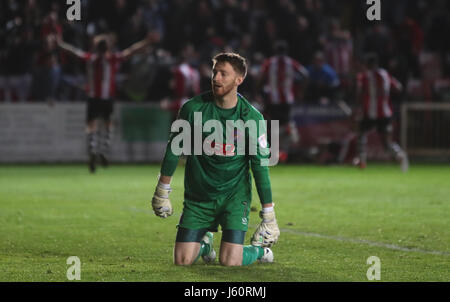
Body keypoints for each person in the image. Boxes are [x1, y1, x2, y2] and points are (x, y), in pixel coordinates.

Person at [151, 53, 280, 266]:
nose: (216, 78)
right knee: (182, 260)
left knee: (230, 261)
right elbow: (174, 150)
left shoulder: (252, 118)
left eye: (223, 74)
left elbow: (260, 167)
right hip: (199, 197)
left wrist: (268, 213)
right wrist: (162, 190)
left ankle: (258, 252)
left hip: (234, 197)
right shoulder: (192, 109)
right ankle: (205, 244)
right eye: (214, 72)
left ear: (239, 80)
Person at [56, 32, 157, 173]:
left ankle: (92, 148)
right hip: (107, 98)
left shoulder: (90, 58)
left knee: (91, 126)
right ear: (108, 48)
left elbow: (73, 52)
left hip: (92, 98)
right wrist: (146, 41)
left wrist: (60, 44)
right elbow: (131, 51)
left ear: (96, 48)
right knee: (109, 125)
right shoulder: (113, 59)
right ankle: (104, 149)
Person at [353, 53, 409, 172]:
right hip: (385, 113)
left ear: (367, 64)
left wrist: (357, 108)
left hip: (369, 113)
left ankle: (361, 160)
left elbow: (359, 93)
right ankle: (401, 156)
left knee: (361, 133)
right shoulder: (385, 74)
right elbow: (398, 87)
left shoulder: (364, 76)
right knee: (386, 142)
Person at [256, 40, 307, 162]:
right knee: (287, 125)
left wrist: (257, 92)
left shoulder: (270, 62)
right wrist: (301, 92)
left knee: (273, 126)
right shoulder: (291, 62)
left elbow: (260, 77)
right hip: (287, 100)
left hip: (273, 100)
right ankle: (286, 152)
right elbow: (305, 74)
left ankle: (274, 154)